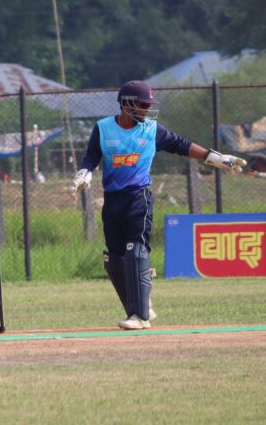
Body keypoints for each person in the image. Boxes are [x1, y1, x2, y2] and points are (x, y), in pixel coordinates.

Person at [68, 80, 246, 330]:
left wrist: (215, 158)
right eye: (142, 105)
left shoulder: (151, 129)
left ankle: (138, 316)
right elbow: (91, 156)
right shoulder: (103, 128)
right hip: (112, 200)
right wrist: (84, 174)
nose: (146, 110)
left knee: (136, 250)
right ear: (126, 104)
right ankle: (139, 307)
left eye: (148, 105)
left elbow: (181, 144)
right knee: (114, 259)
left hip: (138, 197)